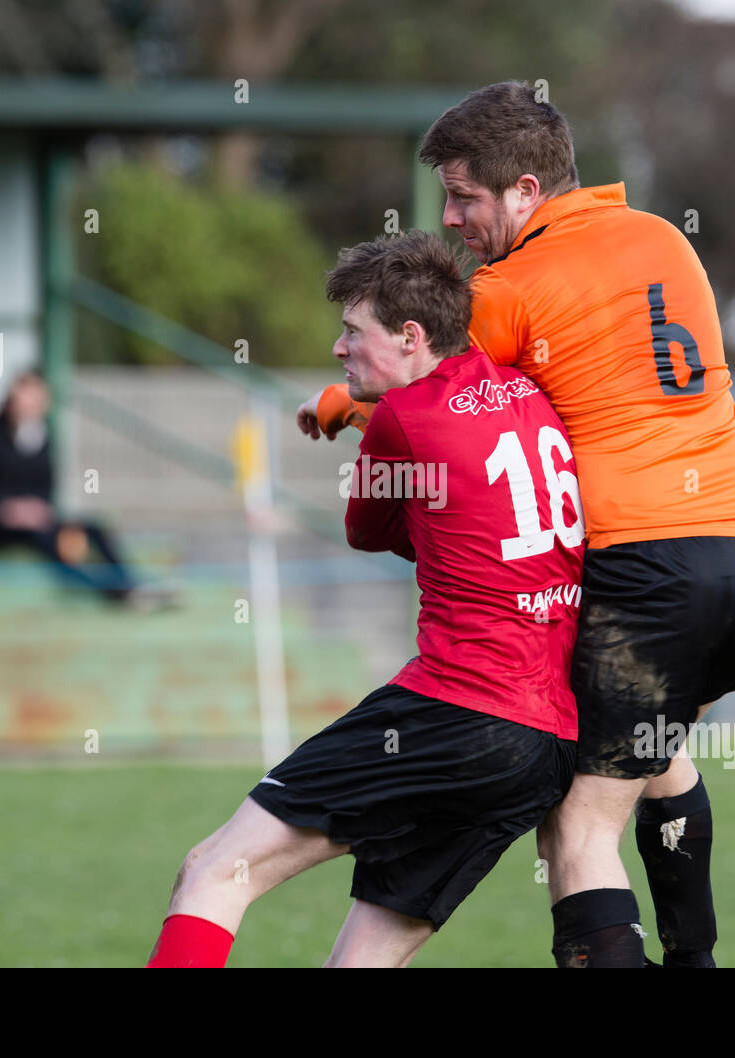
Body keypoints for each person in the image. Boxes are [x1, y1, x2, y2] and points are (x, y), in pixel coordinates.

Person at [300, 82, 735, 968]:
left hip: (653, 563)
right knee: (657, 758)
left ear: (528, 191)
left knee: (576, 827)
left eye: (466, 196)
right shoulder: (659, 235)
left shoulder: (512, 285)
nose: (451, 217)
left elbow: (423, 378)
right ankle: (694, 957)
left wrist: (339, 400)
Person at [147, 230, 586, 968]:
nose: (338, 349)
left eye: (354, 332)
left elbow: (370, 531)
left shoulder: (401, 422)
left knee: (214, 870)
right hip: (541, 747)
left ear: (412, 336)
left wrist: (355, 414)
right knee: (364, 958)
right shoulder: (527, 390)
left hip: (457, 707)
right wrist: (361, 410)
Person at [0, 370, 160, 608]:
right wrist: (6, 509)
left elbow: (46, 488)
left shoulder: (43, 437)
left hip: (35, 520)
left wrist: (37, 509)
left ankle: (129, 581)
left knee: (91, 527)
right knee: (48, 540)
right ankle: (111, 591)